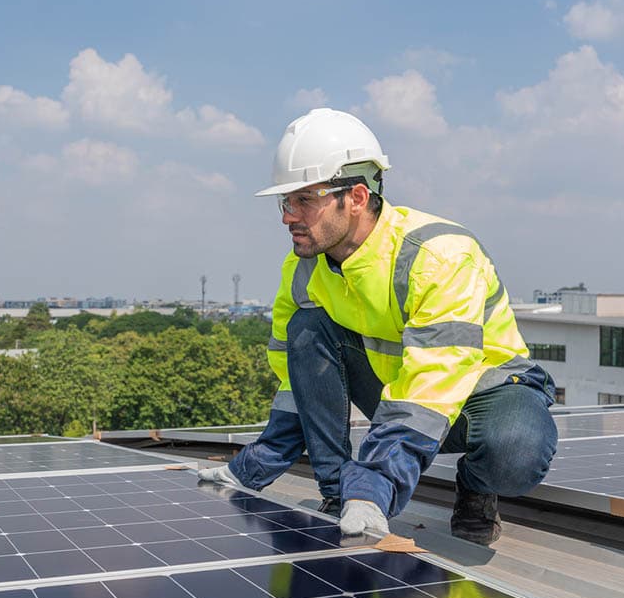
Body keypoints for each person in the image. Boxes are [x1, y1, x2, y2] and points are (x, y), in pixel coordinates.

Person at [199, 107, 557, 546]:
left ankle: (477, 487)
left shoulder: (438, 257)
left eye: (304, 200)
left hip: (485, 396)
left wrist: (375, 486)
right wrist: (252, 467)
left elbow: (430, 386)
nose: (287, 216)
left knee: (517, 454)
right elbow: (298, 380)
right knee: (307, 328)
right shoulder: (302, 267)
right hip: (397, 393)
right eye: (285, 201)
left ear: (356, 198)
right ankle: (337, 492)